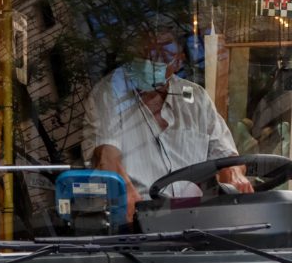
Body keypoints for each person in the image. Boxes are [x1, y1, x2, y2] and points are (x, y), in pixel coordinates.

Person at [83, 20, 252, 220]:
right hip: (137, 223)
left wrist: (234, 174)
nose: (152, 59)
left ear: (179, 61)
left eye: (163, 53)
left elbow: (226, 156)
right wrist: (125, 191)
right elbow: (107, 157)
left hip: (199, 222)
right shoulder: (109, 93)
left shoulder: (196, 97)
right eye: (146, 53)